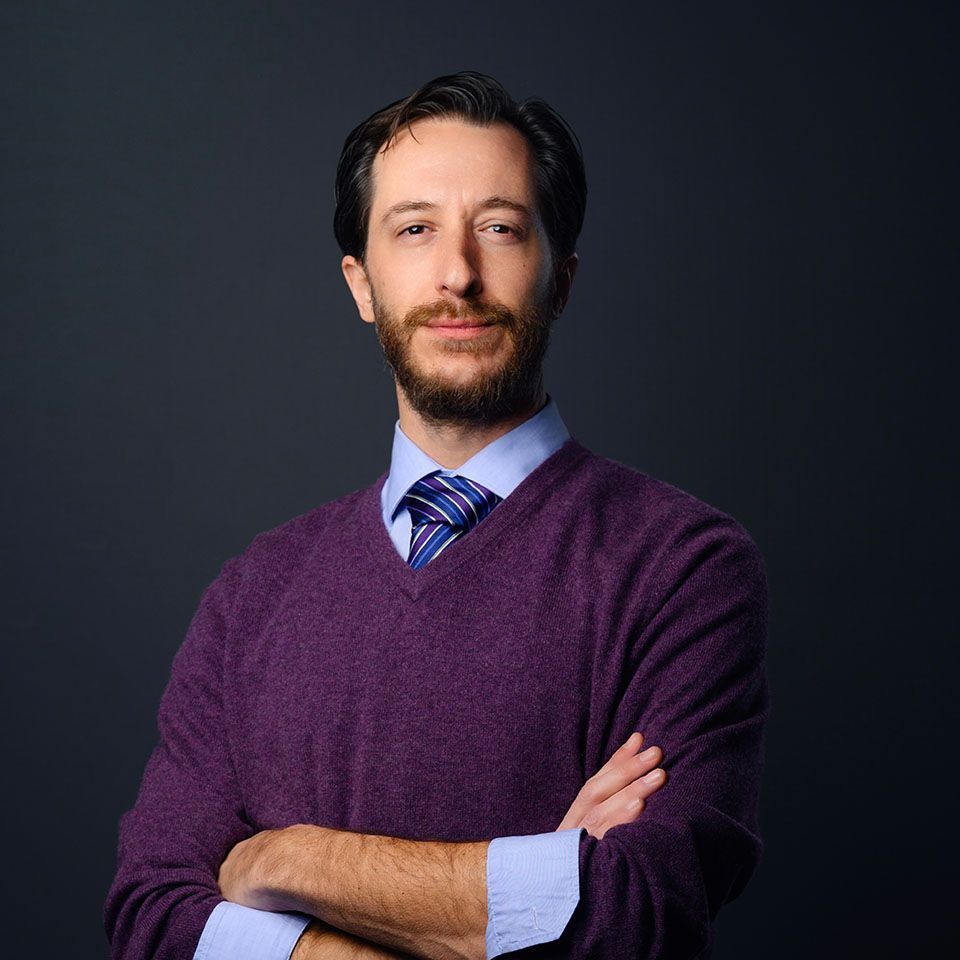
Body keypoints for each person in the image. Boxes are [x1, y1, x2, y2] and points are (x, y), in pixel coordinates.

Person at [104, 71, 768, 960]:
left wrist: (286, 859)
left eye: (500, 228)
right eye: (414, 229)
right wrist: (537, 885)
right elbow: (152, 919)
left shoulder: (682, 566)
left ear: (560, 280)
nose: (458, 274)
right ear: (361, 284)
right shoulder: (251, 596)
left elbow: (637, 913)